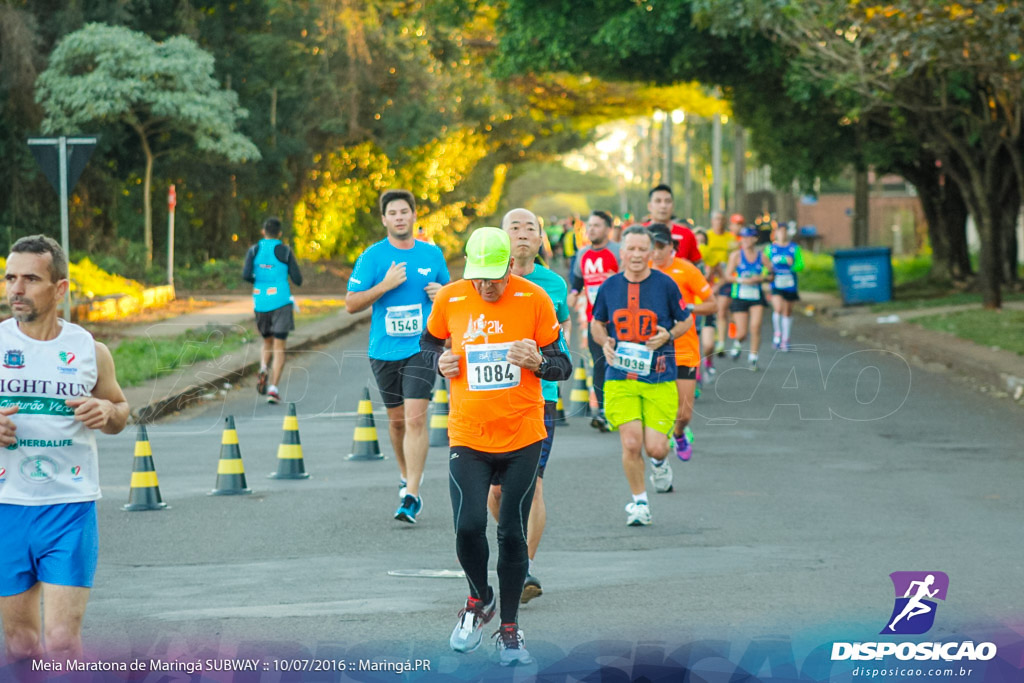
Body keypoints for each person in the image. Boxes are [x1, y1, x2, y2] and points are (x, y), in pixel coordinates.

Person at [421, 227, 571, 665]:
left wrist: (539, 363)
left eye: (494, 276)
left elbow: (563, 364)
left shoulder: (535, 300)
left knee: (510, 532)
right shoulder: (450, 298)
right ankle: (478, 599)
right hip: (468, 434)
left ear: (509, 266)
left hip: (523, 435)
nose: (486, 286)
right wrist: (439, 360)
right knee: (468, 525)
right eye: (478, 277)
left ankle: (509, 632)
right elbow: (428, 341)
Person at [0, 235, 130, 666]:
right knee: (20, 642)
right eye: (10, 278)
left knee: (61, 641)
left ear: (60, 289)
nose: (16, 289)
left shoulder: (90, 351)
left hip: (68, 508)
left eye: (30, 279)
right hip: (6, 507)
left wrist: (105, 411)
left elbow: (120, 411)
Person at [345, 189, 450, 523]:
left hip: (422, 348)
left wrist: (443, 293)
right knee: (396, 422)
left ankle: (412, 495)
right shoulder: (373, 257)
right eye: (393, 213)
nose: (400, 217)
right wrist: (385, 285)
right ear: (384, 219)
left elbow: (454, 300)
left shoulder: (432, 255)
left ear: (415, 215)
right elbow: (351, 304)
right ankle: (407, 476)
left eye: (405, 211)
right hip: (384, 350)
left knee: (417, 417)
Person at [486, 208, 571, 605]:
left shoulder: (553, 284)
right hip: (490, 398)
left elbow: (561, 337)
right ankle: (513, 548)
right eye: (514, 227)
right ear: (502, 237)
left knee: (533, 486)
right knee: (496, 492)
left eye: (530, 228)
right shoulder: (483, 279)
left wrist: (549, 362)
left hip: (540, 398)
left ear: (541, 239)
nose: (522, 233)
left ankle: (522, 567)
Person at [590, 226, 693, 527]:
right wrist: (604, 341)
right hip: (620, 376)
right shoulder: (609, 286)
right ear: (621, 253)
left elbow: (685, 321)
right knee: (632, 444)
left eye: (641, 249)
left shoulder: (666, 285)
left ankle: (660, 463)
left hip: (659, 377)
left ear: (651, 253)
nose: (636, 255)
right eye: (630, 249)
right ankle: (639, 504)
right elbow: (597, 323)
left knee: (655, 447)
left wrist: (668, 335)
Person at [648, 224, 716, 462]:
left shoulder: (686, 270)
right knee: (658, 408)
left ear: (671, 247)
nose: (656, 252)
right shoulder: (641, 271)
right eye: (652, 247)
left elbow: (712, 303)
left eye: (661, 247)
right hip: (653, 350)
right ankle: (659, 452)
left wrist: (688, 308)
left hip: (684, 348)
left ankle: (679, 434)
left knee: (684, 414)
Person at [242, 217, 304, 404]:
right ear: (279, 234)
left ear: (263, 231)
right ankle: (274, 389)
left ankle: (263, 367)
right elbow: (298, 279)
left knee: (266, 342)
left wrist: (260, 281)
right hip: (281, 301)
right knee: (280, 347)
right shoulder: (285, 251)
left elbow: (246, 275)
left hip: (260, 301)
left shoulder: (254, 250)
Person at [568, 210, 620, 432]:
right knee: (598, 364)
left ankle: (620, 410)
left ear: (608, 229)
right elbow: (578, 280)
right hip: (594, 319)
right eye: (589, 225)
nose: (591, 229)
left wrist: (616, 280)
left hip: (618, 320)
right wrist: (573, 292)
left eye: (597, 225)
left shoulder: (618, 252)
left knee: (616, 364)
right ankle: (602, 412)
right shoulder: (583, 254)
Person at [724, 227, 772, 370]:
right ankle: (738, 343)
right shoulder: (736, 256)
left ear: (755, 239)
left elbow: (771, 274)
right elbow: (727, 276)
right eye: (743, 237)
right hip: (740, 296)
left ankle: (753, 358)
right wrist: (741, 280)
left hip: (756, 296)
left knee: (755, 326)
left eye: (749, 237)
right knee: (742, 332)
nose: (745, 240)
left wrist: (761, 278)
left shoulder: (761, 256)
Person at [705, 211, 739, 359]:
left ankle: (726, 340)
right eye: (716, 219)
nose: (719, 222)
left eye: (721, 219)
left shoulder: (730, 239)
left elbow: (736, 259)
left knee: (723, 309)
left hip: (725, 278)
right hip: (710, 278)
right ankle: (717, 340)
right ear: (712, 221)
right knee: (715, 310)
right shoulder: (707, 236)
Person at [766, 224, 804, 351]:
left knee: (787, 311)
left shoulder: (794, 248)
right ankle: (777, 334)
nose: (782, 234)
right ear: (776, 233)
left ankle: (785, 339)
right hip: (776, 283)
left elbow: (800, 265)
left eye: (784, 231)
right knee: (777, 308)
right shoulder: (770, 248)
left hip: (790, 283)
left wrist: (791, 265)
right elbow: (765, 265)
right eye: (779, 231)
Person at [642, 184, 702, 265]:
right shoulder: (639, 233)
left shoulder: (687, 234)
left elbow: (696, 264)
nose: (663, 206)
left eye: (667, 201)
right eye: (658, 201)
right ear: (649, 206)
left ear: (673, 205)